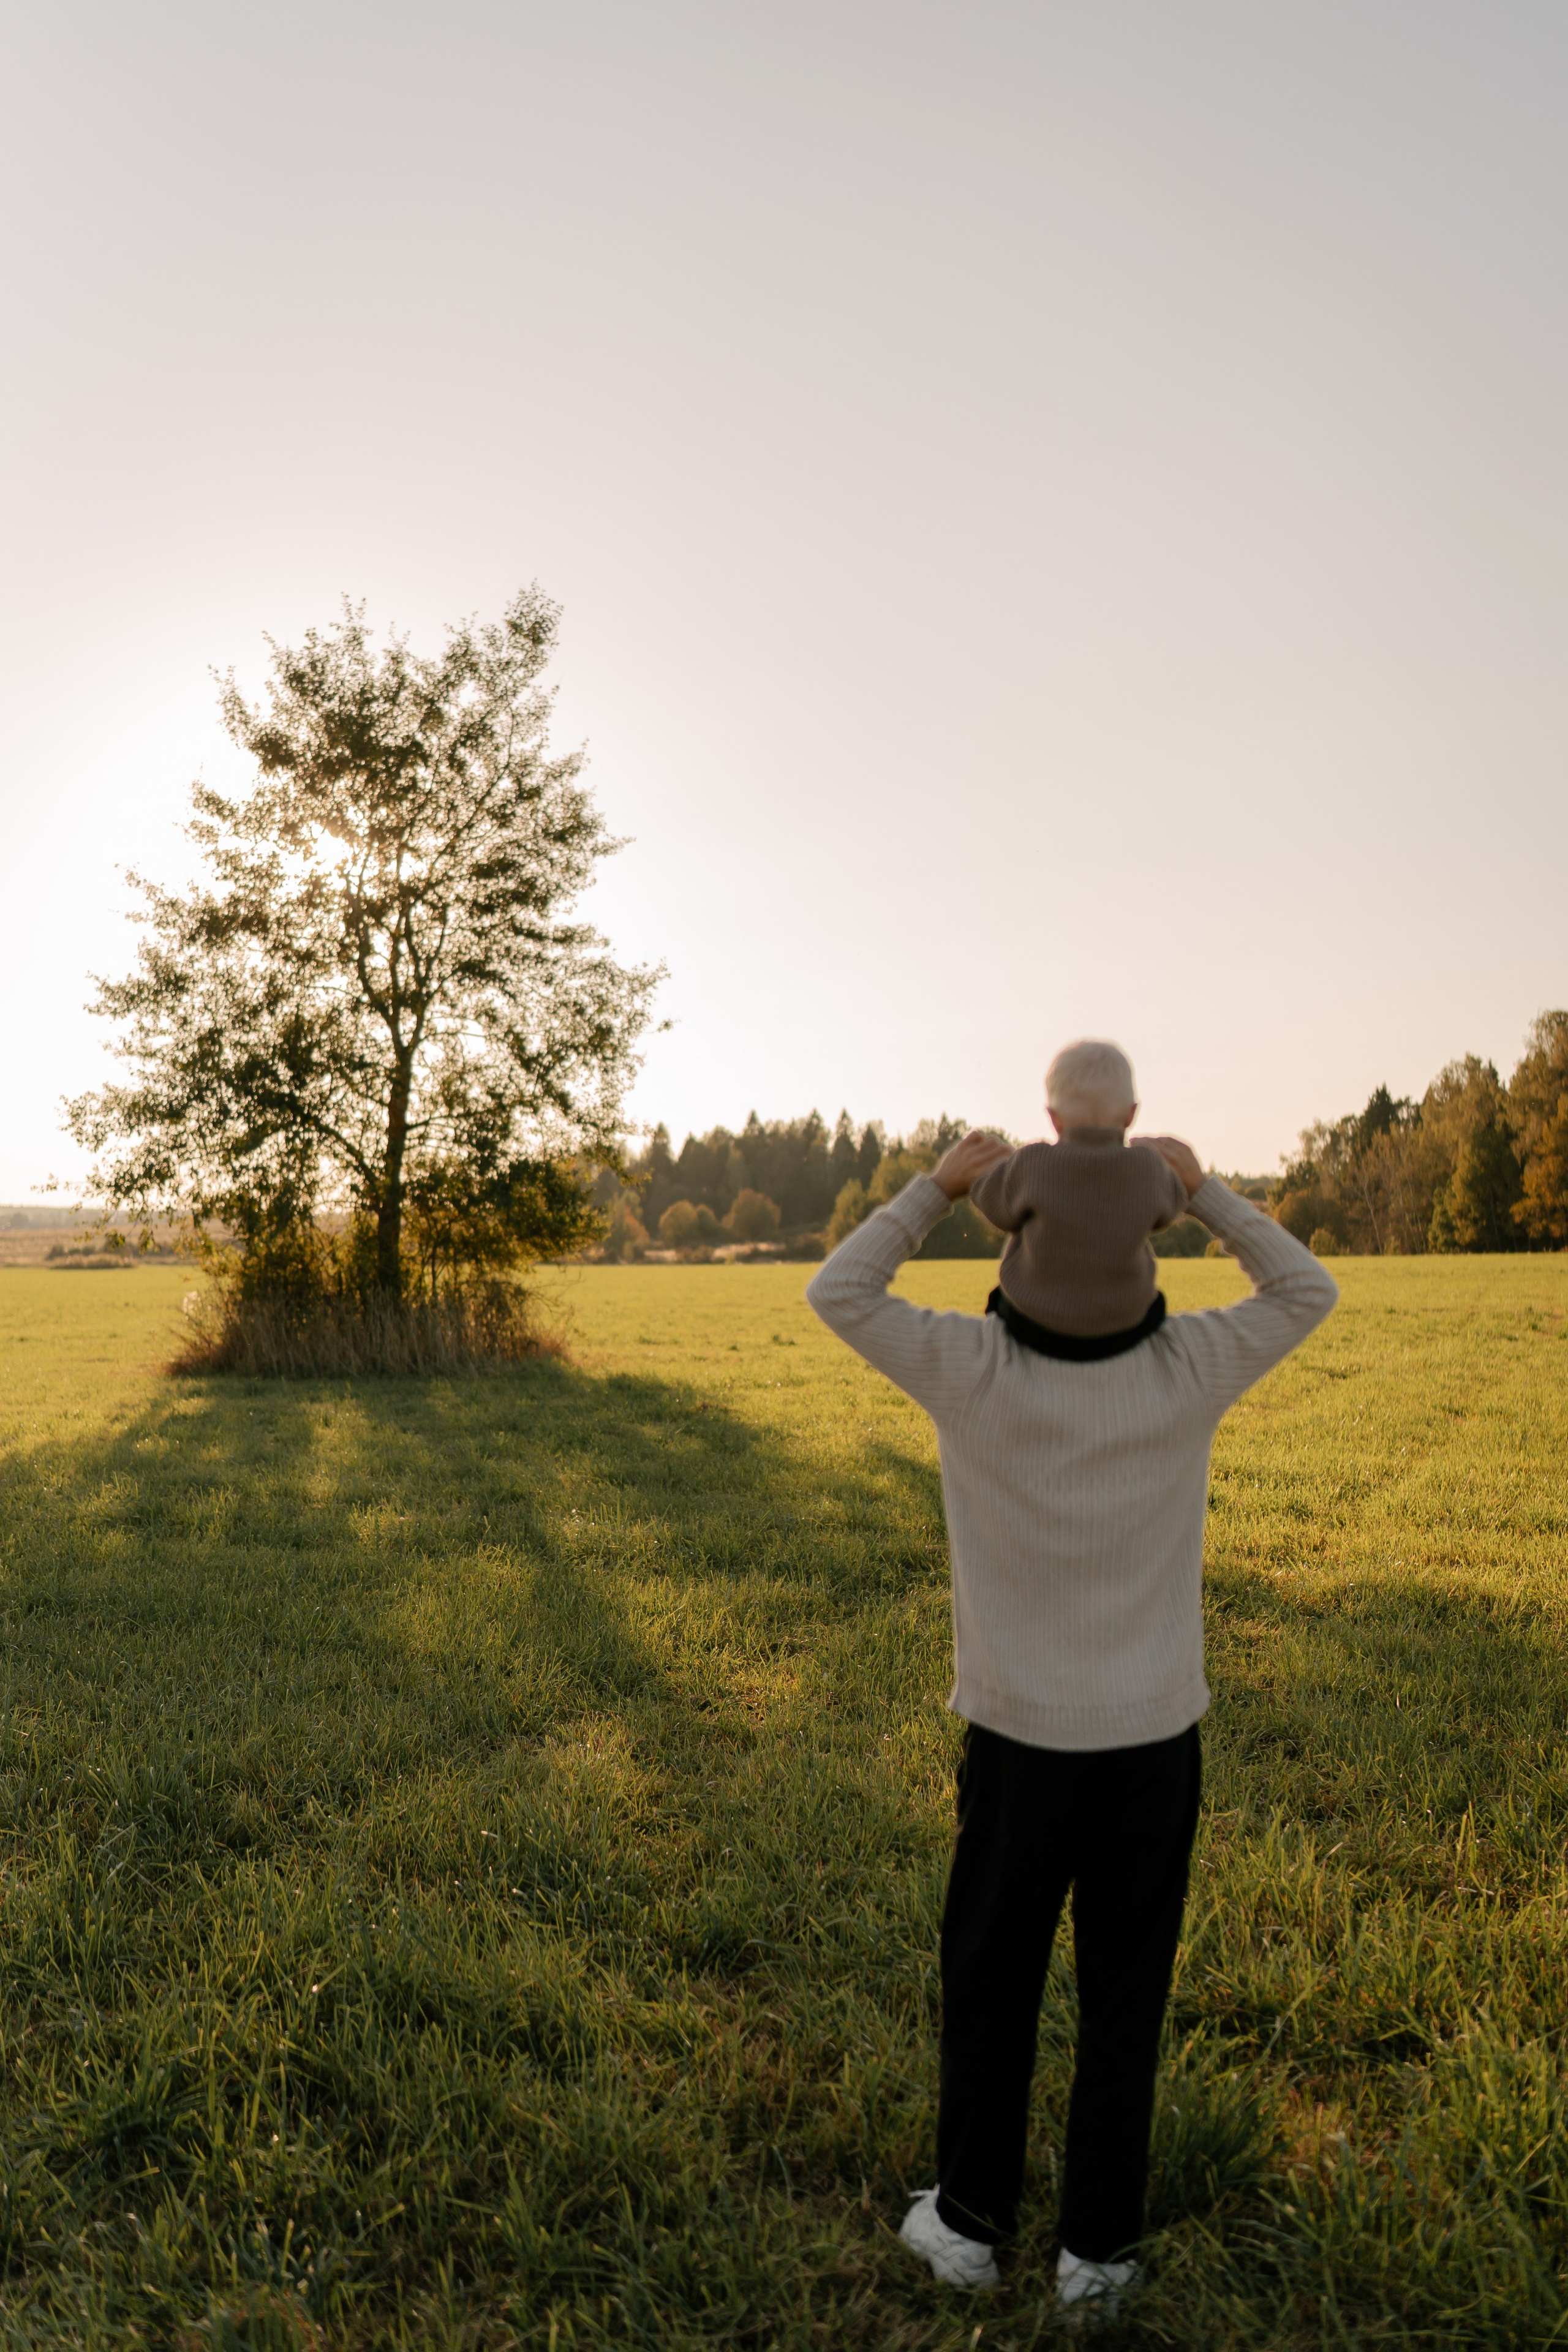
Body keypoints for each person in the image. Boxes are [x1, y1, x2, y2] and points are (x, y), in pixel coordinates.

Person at [805, 1120, 1337, 2317]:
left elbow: (837, 1287)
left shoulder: (967, 1366)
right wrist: (1203, 1194)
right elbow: (1305, 1285)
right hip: (1153, 1744)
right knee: (1124, 1991)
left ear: (1021, 1234)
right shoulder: (1187, 1365)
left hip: (1015, 1742)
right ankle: (1095, 2252)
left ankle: (969, 2226)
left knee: (990, 1979)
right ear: (1136, 1240)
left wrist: (934, 1189)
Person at [971, 1039, 1187, 1343]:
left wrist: (989, 1171)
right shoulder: (1147, 1167)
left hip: (1033, 1325)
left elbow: (995, 1207)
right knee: (1156, 1303)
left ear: (1053, 1118)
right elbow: (1171, 1207)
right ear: (1131, 1114)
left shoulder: (1032, 1163)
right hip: (1127, 1326)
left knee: (999, 1300)